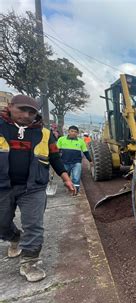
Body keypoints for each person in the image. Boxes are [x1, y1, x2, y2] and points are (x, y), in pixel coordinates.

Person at [0, 94, 75, 282]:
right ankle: (15, 237)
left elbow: (55, 158)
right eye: (22, 110)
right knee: (1, 223)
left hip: (33, 187)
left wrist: (66, 178)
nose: (26, 115)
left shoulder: (45, 133)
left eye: (31, 112)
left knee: (34, 225)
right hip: (3, 186)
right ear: (10, 106)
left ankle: (30, 262)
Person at [57, 126, 93, 196]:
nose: (73, 133)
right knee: (66, 177)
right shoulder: (61, 139)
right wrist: (56, 160)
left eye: (75, 132)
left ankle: (75, 191)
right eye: (72, 131)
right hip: (64, 162)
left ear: (77, 133)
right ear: (68, 131)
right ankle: (68, 188)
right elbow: (56, 151)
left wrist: (90, 160)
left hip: (76, 163)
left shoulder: (81, 141)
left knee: (76, 178)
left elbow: (85, 152)